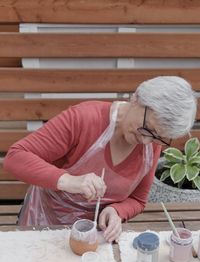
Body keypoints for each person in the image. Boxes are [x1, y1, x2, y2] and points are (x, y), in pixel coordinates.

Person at [3, 76, 197, 243]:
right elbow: (15, 157)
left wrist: (117, 211)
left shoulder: (151, 143)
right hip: (45, 224)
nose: (146, 141)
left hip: (97, 235)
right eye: (147, 128)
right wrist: (69, 180)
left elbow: (138, 199)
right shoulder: (83, 118)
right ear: (137, 98)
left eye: (157, 137)